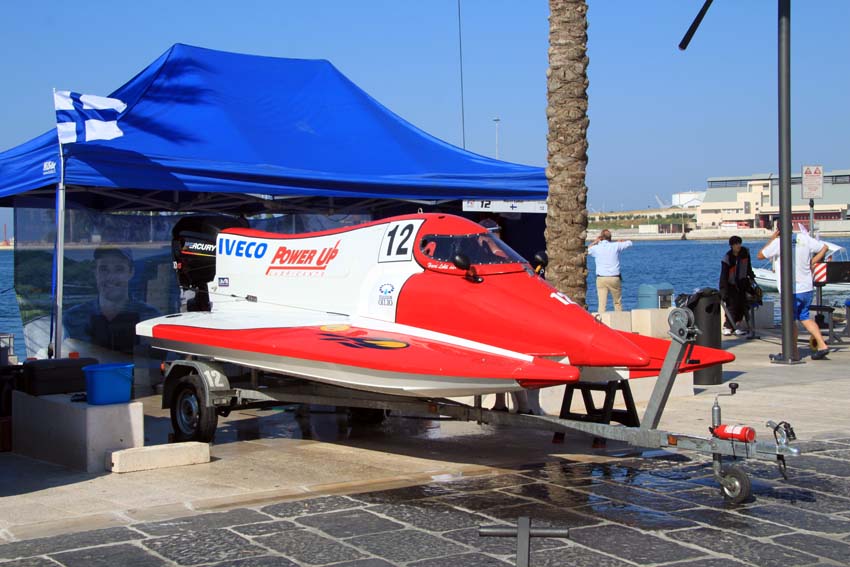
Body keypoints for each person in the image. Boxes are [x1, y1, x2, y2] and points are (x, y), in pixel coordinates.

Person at [64, 246, 161, 355]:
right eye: (103, 269)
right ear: (95, 272)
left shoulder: (150, 318)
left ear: (131, 272)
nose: (111, 277)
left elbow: (154, 361)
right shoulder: (73, 317)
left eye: (119, 269)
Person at [758, 228, 830, 360]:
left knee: (790, 320)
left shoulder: (779, 242)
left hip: (790, 289)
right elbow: (824, 247)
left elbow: (760, 255)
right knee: (805, 317)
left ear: (778, 230)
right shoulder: (804, 238)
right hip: (806, 286)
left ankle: (793, 353)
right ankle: (822, 345)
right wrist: (812, 262)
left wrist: (772, 238)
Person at [588, 229, 632, 312]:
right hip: (614, 278)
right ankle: (619, 317)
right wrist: (621, 242)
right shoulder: (615, 246)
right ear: (610, 238)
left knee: (602, 304)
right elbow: (630, 243)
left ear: (601, 238)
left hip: (601, 278)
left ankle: (601, 319)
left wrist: (595, 242)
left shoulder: (596, 248)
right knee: (617, 302)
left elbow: (587, 250)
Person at [719, 235, 755, 336]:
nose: (738, 245)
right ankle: (727, 327)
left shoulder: (745, 253)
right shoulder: (727, 258)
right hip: (731, 284)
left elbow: (748, 266)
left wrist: (751, 276)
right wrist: (723, 290)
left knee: (742, 306)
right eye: (735, 244)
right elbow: (723, 275)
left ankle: (736, 326)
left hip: (743, 283)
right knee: (731, 306)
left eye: (739, 243)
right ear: (731, 245)